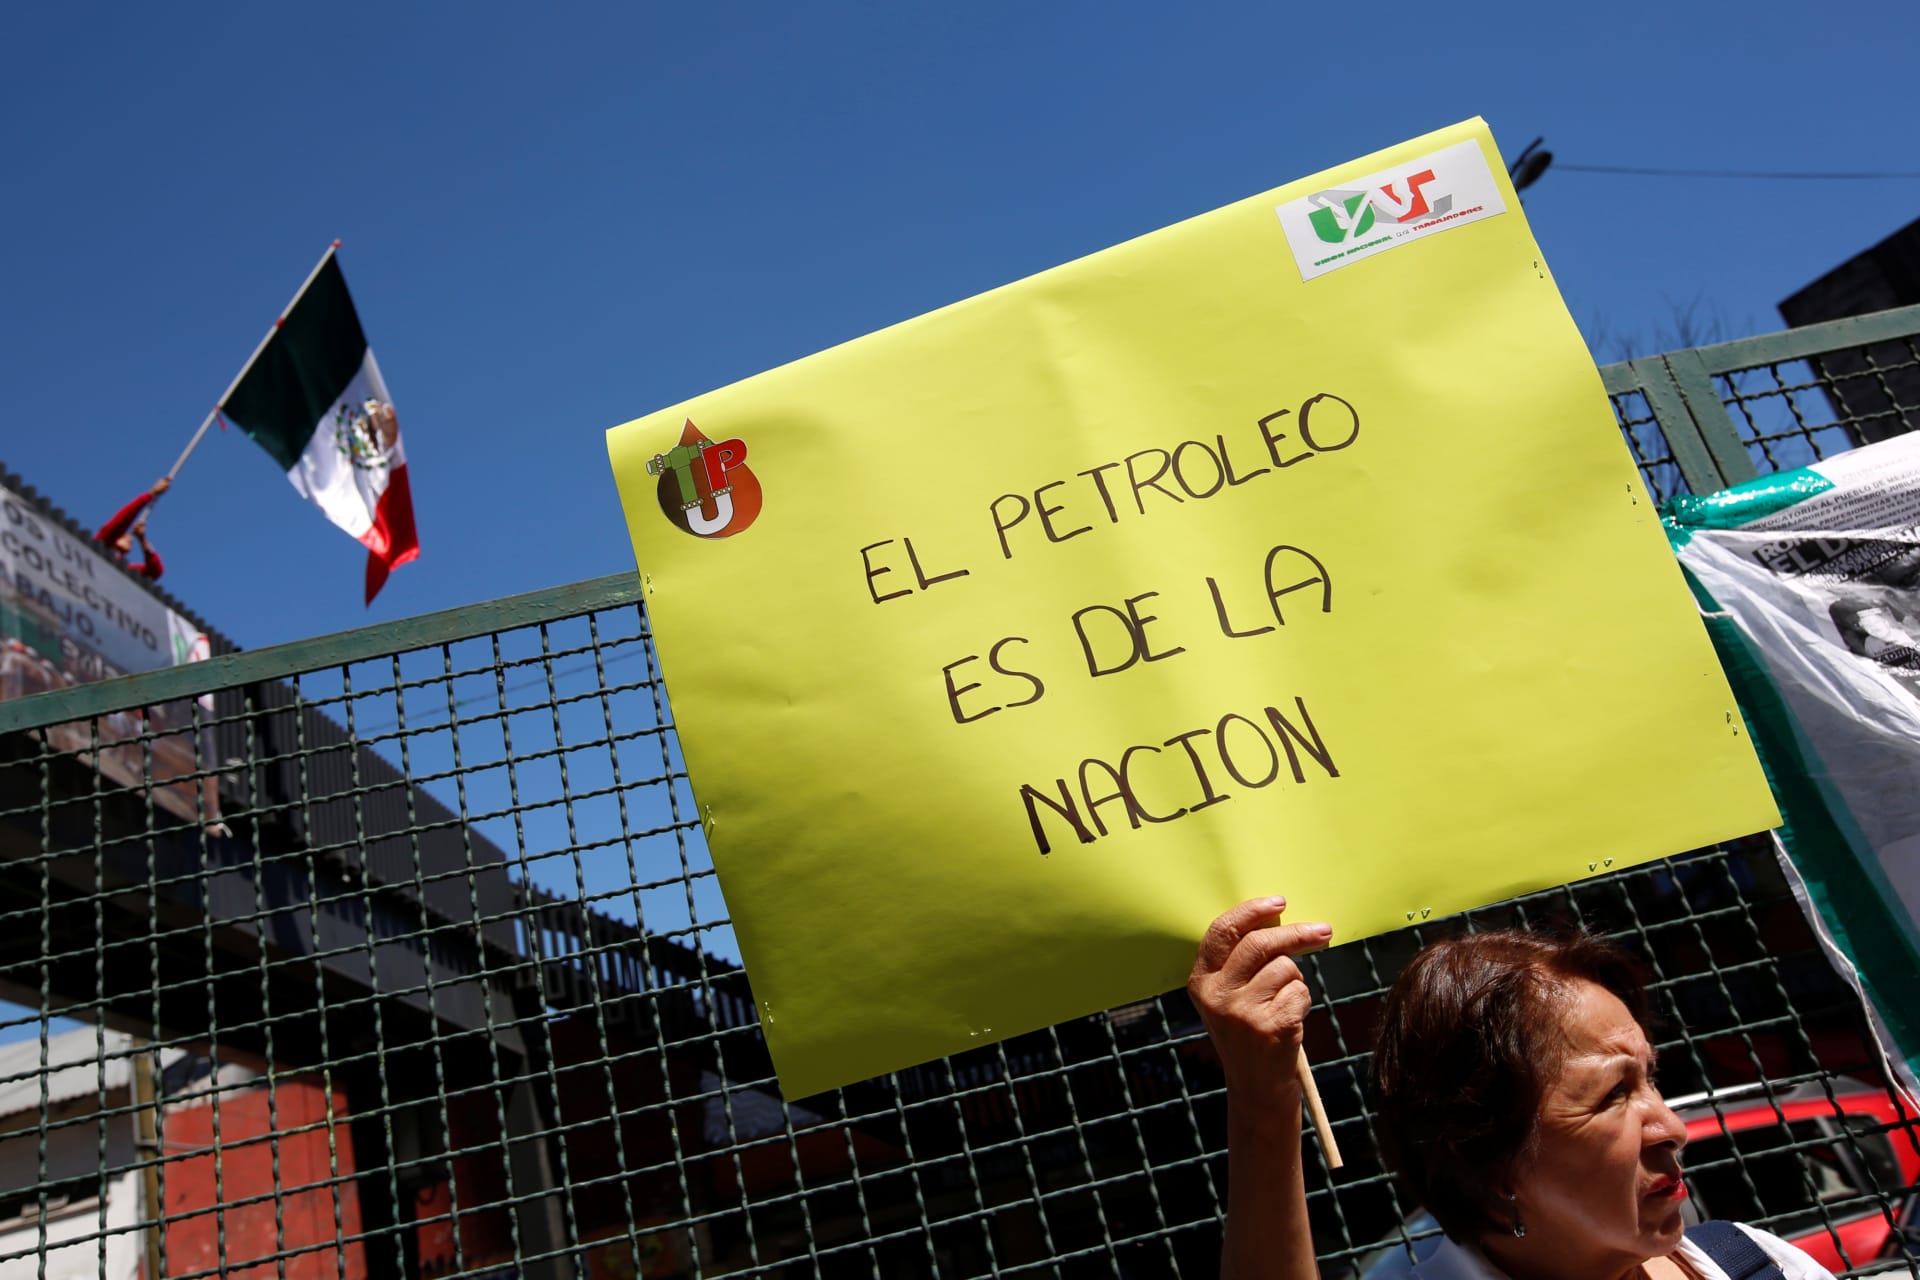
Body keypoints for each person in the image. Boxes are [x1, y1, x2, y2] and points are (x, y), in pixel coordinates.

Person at [1188, 897, 1838, 1280]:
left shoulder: (1759, 1262)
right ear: (1492, 1159)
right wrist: (1264, 1097)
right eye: (1613, 1095)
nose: (1671, 1126)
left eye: (1650, 1080)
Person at [95, 475, 170, 580]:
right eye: (123, 534)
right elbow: (119, 524)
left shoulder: (125, 569)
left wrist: (143, 540)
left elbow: (155, 572)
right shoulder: (100, 545)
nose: (130, 538)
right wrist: (151, 493)